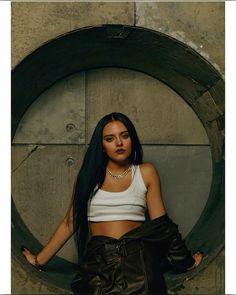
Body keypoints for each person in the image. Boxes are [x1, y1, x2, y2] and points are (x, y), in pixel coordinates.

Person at [22, 112, 203, 295]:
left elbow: (161, 226)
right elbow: (70, 223)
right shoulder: (88, 177)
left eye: (124, 136)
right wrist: (39, 261)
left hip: (139, 263)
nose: (119, 143)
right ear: (101, 145)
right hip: (98, 267)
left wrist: (186, 262)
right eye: (110, 138)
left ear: (131, 139)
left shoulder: (145, 172)